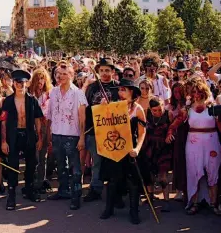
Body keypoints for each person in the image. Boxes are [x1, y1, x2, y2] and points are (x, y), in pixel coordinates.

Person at [166, 80, 221, 215]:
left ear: (205, 92)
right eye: (194, 92)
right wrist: (170, 133)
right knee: (193, 172)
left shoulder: (213, 107)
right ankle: (194, 203)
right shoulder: (187, 109)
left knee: (213, 172)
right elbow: (175, 124)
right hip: (193, 143)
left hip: (212, 142)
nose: (196, 95)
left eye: (199, 92)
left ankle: (213, 204)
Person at [99, 79, 147, 224]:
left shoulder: (138, 109)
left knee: (132, 182)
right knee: (112, 180)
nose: (120, 92)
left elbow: (142, 132)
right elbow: (104, 125)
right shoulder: (113, 106)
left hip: (130, 150)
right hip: (114, 148)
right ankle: (109, 208)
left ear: (131, 92)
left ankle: (134, 211)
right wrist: (103, 108)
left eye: (123, 90)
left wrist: (137, 149)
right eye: (119, 90)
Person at [1, 69, 44, 210]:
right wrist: (3, 141)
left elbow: (38, 119)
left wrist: (40, 137)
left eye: (23, 82)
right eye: (17, 82)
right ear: (13, 83)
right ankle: (11, 194)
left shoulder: (32, 100)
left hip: (29, 135)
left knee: (31, 164)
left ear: (27, 83)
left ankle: (29, 189)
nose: (20, 85)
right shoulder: (8, 101)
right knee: (12, 165)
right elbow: (3, 122)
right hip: (13, 136)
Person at [46, 63, 87, 210]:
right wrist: (49, 133)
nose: (60, 76)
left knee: (75, 168)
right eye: (58, 73)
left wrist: (82, 138)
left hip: (72, 135)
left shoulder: (78, 93)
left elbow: (83, 119)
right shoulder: (53, 92)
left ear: (71, 75)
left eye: (64, 73)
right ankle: (63, 190)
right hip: (57, 134)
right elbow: (50, 114)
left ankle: (76, 195)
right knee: (60, 165)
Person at [83, 58, 119, 203]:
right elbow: (86, 108)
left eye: (107, 70)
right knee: (96, 162)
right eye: (102, 70)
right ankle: (95, 189)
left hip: (113, 131)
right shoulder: (92, 88)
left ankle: (114, 191)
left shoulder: (118, 87)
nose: (104, 73)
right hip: (94, 130)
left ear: (113, 71)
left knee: (113, 162)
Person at [140, 97, 173, 212]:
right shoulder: (146, 113)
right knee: (149, 175)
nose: (158, 112)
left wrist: (170, 135)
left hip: (163, 148)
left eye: (160, 110)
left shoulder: (168, 115)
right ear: (150, 109)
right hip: (149, 148)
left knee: (162, 176)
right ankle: (150, 197)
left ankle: (166, 200)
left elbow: (172, 128)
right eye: (155, 110)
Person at [28, 68, 52, 194]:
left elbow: (50, 114)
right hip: (30, 126)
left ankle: (40, 182)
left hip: (44, 125)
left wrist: (48, 132)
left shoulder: (49, 93)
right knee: (32, 156)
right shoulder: (29, 93)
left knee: (42, 156)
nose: (40, 82)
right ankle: (30, 181)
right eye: (38, 79)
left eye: (43, 78)